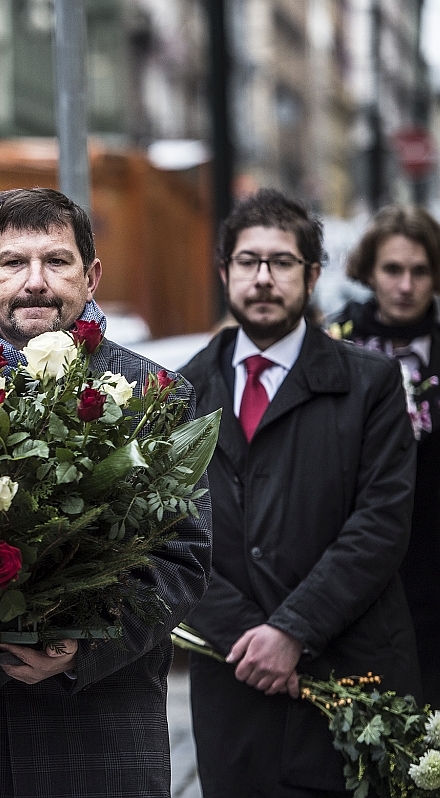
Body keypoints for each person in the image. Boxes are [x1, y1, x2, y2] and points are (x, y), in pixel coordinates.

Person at [0, 188, 212, 798]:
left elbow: (184, 559)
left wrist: (80, 650)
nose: (34, 281)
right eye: (14, 262)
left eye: (57, 261)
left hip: (100, 743)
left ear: (91, 277)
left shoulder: (154, 393)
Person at [181, 189, 420, 798]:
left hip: (349, 679)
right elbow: (168, 535)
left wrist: (291, 631)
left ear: (313, 276)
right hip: (233, 685)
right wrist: (248, 637)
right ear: (224, 272)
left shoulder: (371, 384)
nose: (263, 278)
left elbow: (380, 525)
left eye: (282, 262)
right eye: (248, 261)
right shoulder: (179, 391)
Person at [329, 205, 440, 708]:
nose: (406, 285)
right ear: (369, 271)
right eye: (393, 269)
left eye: (420, 271)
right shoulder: (333, 343)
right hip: (351, 561)